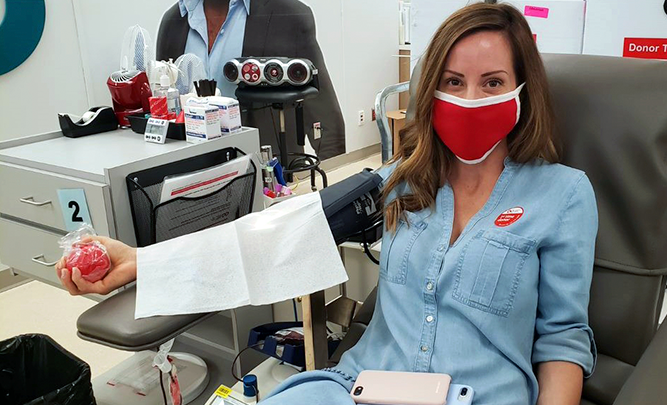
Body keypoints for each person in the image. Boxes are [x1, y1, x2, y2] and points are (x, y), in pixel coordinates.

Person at [57, 4, 597, 404]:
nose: (470, 99)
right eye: (454, 82)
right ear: (432, 91)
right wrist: (141, 262)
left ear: (522, 93)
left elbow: (563, 342)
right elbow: (281, 235)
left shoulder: (562, 195)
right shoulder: (402, 181)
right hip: (365, 386)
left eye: (493, 82)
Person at [156, 0, 346, 159]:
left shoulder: (287, 14)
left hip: (271, 177)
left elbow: (322, 111)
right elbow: (163, 104)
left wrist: (335, 187)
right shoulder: (173, 21)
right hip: (192, 174)